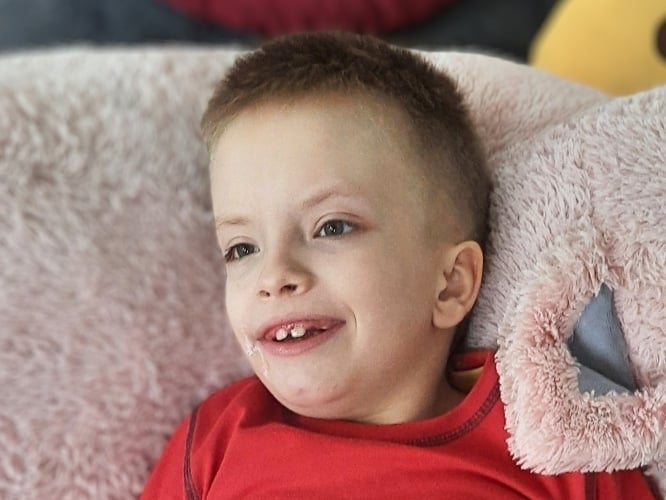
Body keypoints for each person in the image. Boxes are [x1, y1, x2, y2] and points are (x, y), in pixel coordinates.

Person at [141, 32, 655, 499]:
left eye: (331, 227)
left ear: (450, 285)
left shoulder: (552, 439)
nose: (274, 276)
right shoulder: (218, 439)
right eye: (241, 248)